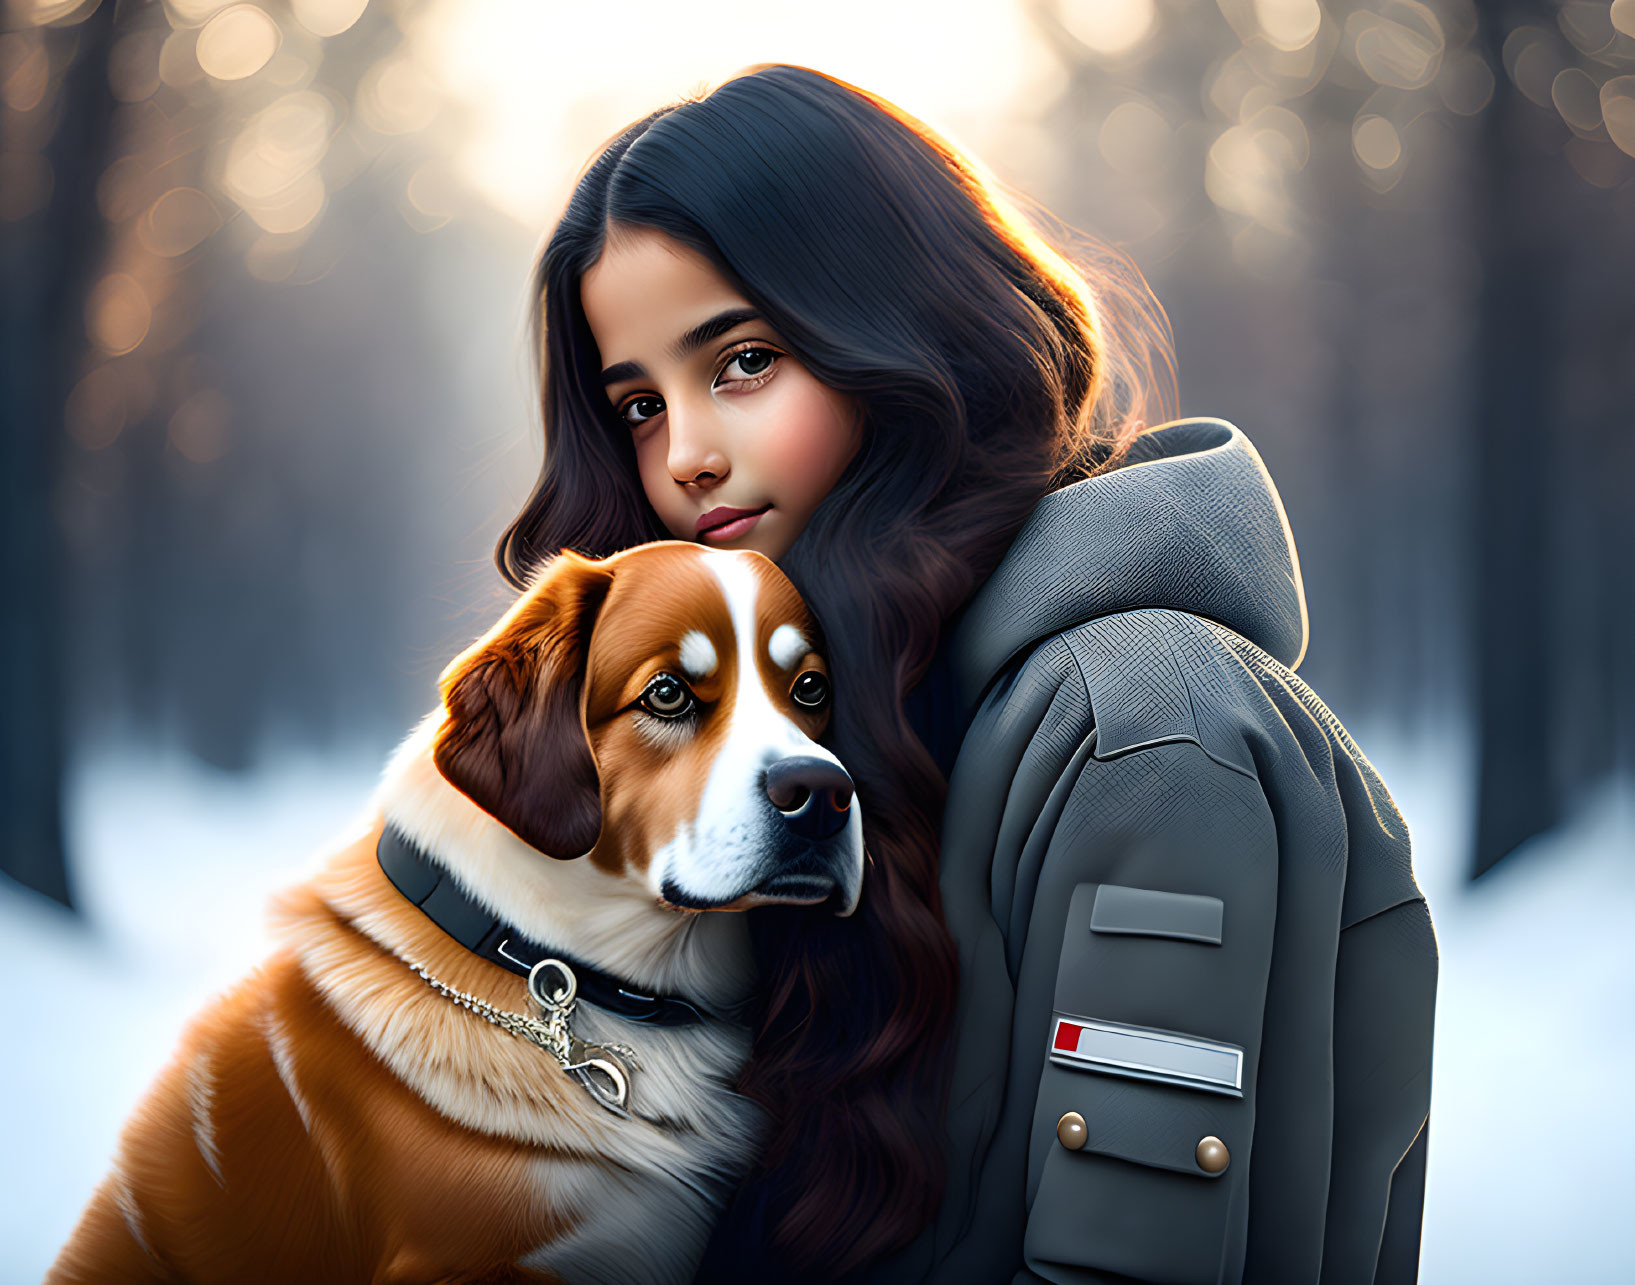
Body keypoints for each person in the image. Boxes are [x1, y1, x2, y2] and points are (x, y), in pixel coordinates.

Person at [494, 63, 1437, 1284]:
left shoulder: (1144, 733)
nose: (683, 458)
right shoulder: (852, 727)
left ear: (900, 329)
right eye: (637, 405)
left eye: (741, 361)